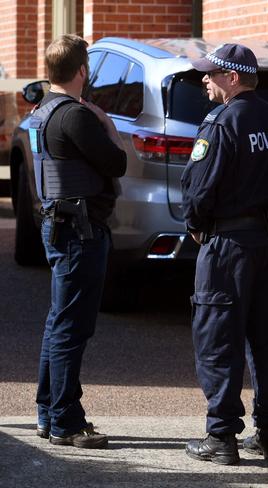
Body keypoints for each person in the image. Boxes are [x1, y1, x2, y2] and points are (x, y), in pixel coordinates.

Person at [181, 43, 268, 466]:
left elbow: (198, 188)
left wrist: (196, 224)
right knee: (266, 339)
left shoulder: (221, 121)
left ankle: (222, 436)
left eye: (211, 74)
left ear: (233, 78)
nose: (205, 81)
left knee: (218, 338)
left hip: (229, 248)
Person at [32, 34, 127, 449]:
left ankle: (48, 412)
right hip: (79, 230)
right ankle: (66, 420)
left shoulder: (44, 110)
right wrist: (107, 124)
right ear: (83, 71)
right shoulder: (77, 116)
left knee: (59, 323)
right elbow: (117, 162)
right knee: (71, 327)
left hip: (62, 224)